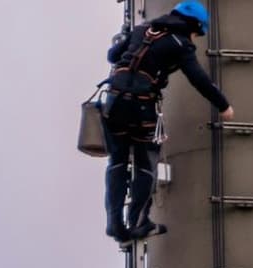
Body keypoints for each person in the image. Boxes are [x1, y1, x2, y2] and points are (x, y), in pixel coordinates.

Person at [101, 2, 236, 243]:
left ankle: (114, 222)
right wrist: (224, 105)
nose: (196, 38)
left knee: (117, 162)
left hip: (112, 103)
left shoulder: (143, 29)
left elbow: (112, 56)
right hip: (141, 107)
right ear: (192, 25)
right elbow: (199, 79)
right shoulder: (181, 44)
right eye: (198, 33)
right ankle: (139, 221)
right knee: (145, 163)